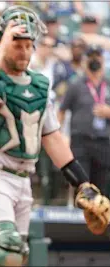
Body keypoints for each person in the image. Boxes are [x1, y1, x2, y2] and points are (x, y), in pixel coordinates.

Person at [0, 6, 110, 267]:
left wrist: (82, 183)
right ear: (0, 42)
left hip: (22, 180)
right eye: (17, 44)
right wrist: (3, 44)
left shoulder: (38, 84)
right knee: (7, 251)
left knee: (16, 259)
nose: (25, 51)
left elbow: (51, 135)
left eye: (29, 45)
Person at [58, 44, 110, 198]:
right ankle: (79, 219)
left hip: (104, 141)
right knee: (82, 183)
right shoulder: (75, 84)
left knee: (103, 185)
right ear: (85, 61)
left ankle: (103, 219)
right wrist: (60, 136)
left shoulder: (108, 83)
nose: (95, 60)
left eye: (97, 57)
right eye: (91, 57)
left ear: (103, 59)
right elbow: (61, 111)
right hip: (80, 140)